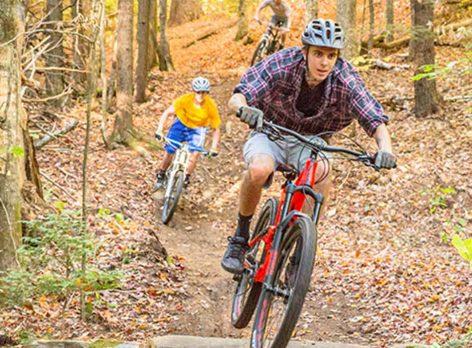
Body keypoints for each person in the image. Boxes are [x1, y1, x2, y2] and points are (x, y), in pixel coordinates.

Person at [221, 19, 397, 274]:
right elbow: (240, 94)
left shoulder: (345, 78)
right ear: (305, 52)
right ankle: (240, 237)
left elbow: (373, 117)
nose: (324, 62)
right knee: (259, 169)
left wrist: (386, 149)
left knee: (323, 171)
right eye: (318, 54)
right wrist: (243, 109)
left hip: (312, 141)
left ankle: (300, 250)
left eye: (331, 55)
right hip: (271, 131)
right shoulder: (283, 64)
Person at [154, 77, 221, 191]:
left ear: (207, 93)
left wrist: (214, 148)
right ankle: (161, 173)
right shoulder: (185, 100)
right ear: (194, 91)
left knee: (194, 154)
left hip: (198, 129)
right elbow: (168, 113)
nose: (201, 95)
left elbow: (216, 129)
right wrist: (159, 130)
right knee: (170, 150)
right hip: (180, 124)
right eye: (198, 92)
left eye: (204, 92)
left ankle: (186, 178)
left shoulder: (210, 105)